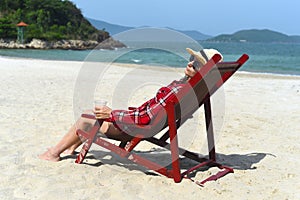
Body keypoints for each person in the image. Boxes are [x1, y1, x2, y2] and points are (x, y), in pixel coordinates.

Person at [39, 48, 223, 162]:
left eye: (196, 64)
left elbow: (145, 118)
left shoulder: (179, 91)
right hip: (144, 123)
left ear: (202, 72)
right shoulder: (192, 90)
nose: (190, 64)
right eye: (191, 60)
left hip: (135, 128)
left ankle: (54, 153)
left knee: (87, 117)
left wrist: (112, 114)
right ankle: (71, 148)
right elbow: (152, 113)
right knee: (94, 114)